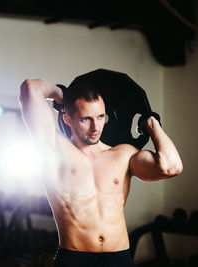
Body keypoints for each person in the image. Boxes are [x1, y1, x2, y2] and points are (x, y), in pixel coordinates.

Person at [18, 77, 183, 267]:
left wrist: (151, 123)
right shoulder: (55, 150)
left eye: (100, 117)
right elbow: (30, 88)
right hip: (75, 259)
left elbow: (172, 166)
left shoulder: (124, 154)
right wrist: (63, 95)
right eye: (86, 118)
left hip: (119, 258)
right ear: (68, 119)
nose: (96, 127)